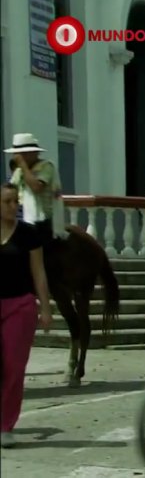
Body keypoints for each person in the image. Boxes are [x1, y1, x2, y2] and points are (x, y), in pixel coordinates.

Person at [1, 183, 53, 448]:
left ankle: (5, 425)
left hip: (20, 305)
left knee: (13, 365)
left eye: (15, 201)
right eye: (7, 202)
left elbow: (39, 272)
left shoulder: (28, 234)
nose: (13, 206)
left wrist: (45, 307)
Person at [5, 133, 65, 244]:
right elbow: (11, 189)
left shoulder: (46, 167)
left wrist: (23, 165)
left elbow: (36, 187)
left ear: (33, 153)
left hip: (40, 218)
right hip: (19, 213)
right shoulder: (19, 172)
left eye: (22, 154)